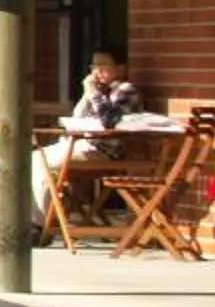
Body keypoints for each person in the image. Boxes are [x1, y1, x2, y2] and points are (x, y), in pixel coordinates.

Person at [33, 50, 144, 217]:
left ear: (121, 69)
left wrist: (93, 93)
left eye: (102, 65)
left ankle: (40, 223)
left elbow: (109, 121)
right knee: (32, 160)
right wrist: (87, 94)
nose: (96, 71)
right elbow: (77, 116)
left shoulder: (127, 91)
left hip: (104, 152)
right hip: (81, 144)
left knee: (40, 162)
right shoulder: (99, 91)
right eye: (93, 66)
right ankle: (39, 218)